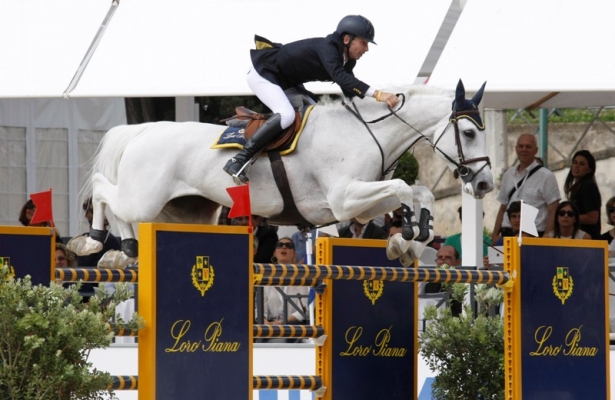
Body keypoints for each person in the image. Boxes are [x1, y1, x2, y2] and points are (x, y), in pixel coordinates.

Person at [223, 15, 400, 183]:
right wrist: (378, 94)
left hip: (286, 82)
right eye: (363, 42)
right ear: (347, 39)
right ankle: (238, 160)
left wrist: (374, 112)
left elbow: (350, 92)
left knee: (317, 116)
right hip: (263, 74)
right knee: (286, 115)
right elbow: (340, 77)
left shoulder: (348, 60)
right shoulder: (328, 47)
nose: (366, 49)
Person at [492, 133, 561, 243]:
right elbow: (503, 207)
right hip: (507, 234)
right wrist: (495, 235)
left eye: (528, 147)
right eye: (521, 146)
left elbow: (553, 210)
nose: (524, 149)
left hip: (533, 236)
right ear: (516, 149)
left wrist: (546, 238)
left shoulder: (546, 176)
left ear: (536, 150)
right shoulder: (508, 174)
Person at [261, 238, 309, 342]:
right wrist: (265, 323)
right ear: (274, 253)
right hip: (270, 326)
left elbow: (304, 309)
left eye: (288, 245)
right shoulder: (266, 276)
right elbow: (260, 307)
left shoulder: (301, 277)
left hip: (294, 327)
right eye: (280, 245)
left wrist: (282, 322)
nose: (284, 247)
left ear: (294, 254)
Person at [564, 150, 602, 239]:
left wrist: (570, 217)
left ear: (589, 170)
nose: (576, 166)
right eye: (575, 162)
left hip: (588, 239)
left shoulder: (588, 186)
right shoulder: (579, 186)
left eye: (581, 164)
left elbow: (593, 218)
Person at [424, 245, 462, 316]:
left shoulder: (462, 286)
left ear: (457, 262)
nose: (442, 262)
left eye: (448, 258)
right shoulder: (430, 286)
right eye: (440, 258)